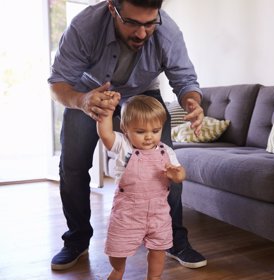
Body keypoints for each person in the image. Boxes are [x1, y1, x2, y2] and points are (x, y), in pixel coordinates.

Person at [48, 0, 206, 271]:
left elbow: (185, 80)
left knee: (166, 165)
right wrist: (82, 100)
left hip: (143, 93)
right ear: (112, 8)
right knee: (72, 166)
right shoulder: (84, 27)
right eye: (132, 23)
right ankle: (77, 240)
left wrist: (192, 101)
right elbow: (58, 83)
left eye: (149, 23)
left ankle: (174, 240)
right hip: (87, 92)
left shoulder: (168, 31)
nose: (142, 33)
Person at [98, 94, 186, 280]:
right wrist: (105, 112)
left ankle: (154, 277)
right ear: (125, 129)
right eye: (140, 131)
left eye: (155, 130)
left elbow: (180, 174)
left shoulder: (166, 151)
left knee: (158, 249)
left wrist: (177, 175)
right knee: (117, 249)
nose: (149, 137)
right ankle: (117, 270)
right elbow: (105, 134)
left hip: (158, 213)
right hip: (128, 213)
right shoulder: (123, 145)